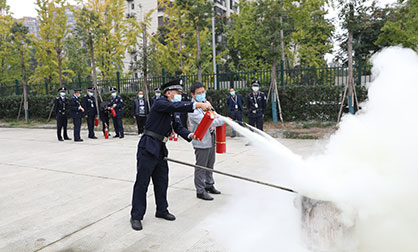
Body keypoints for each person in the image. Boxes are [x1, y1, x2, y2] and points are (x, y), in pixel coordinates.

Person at [130, 79, 212, 231]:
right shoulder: (160, 103)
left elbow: (178, 127)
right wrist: (198, 105)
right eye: (178, 93)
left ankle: (162, 210)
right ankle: (136, 216)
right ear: (169, 93)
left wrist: (190, 135)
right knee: (142, 183)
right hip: (148, 146)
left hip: (161, 147)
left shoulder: (171, 109)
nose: (180, 96)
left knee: (162, 181)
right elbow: (176, 105)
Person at [188, 82, 224, 201]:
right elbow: (208, 122)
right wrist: (223, 121)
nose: (202, 95)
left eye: (203, 92)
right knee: (201, 166)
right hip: (201, 140)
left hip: (211, 137)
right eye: (199, 93)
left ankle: (209, 184)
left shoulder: (206, 103)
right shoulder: (192, 109)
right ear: (193, 95)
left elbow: (215, 115)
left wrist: (222, 118)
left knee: (210, 163)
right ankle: (200, 190)